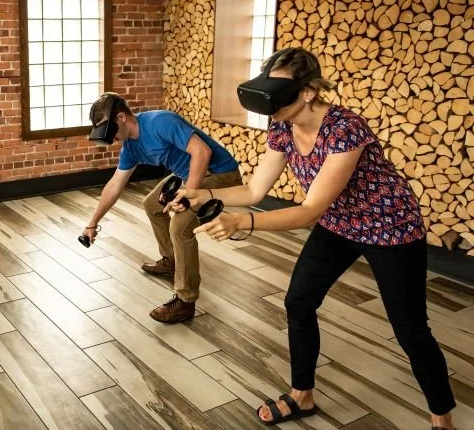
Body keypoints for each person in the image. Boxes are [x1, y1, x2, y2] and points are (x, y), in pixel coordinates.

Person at [168, 47, 456, 428]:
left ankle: (442, 419)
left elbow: (308, 211)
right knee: (299, 302)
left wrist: (242, 224)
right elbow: (255, 191)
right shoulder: (282, 125)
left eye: (279, 87)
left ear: (308, 91)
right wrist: (202, 194)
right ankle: (302, 395)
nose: (268, 97)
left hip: (390, 228)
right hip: (340, 225)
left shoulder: (344, 128)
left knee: (410, 328)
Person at [81, 93, 241, 323]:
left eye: (112, 131)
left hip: (219, 173)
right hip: (188, 175)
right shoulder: (130, 148)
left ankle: (186, 301)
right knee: (152, 204)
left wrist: (188, 196)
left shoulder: (160, 122)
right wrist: (92, 224)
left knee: (180, 227)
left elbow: (202, 152)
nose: (114, 139)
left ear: (122, 117)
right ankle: (171, 261)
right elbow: (115, 185)